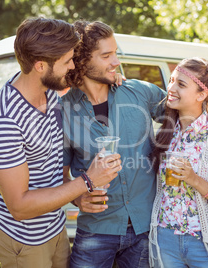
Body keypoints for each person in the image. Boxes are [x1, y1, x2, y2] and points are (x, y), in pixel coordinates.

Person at [0, 17, 121, 268]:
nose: (73, 66)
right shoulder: (4, 121)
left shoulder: (48, 89)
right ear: (40, 66)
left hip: (53, 228)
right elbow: (20, 207)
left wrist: (112, 76)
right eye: (67, 61)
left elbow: (51, 171)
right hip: (23, 239)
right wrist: (87, 181)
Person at [62, 20, 167, 268]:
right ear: (82, 61)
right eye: (106, 55)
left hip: (145, 227)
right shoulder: (64, 110)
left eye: (115, 53)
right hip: (96, 229)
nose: (116, 61)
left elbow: (185, 115)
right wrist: (77, 199)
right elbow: (58, 173)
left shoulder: (140, 92)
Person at [148, 57, 208, 268]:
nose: (170, 88)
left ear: (202, 94)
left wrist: (194, 180)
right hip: (164, 238)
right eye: (171, 81)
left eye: (181, 84)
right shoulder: (164, 133)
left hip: (204, 242)